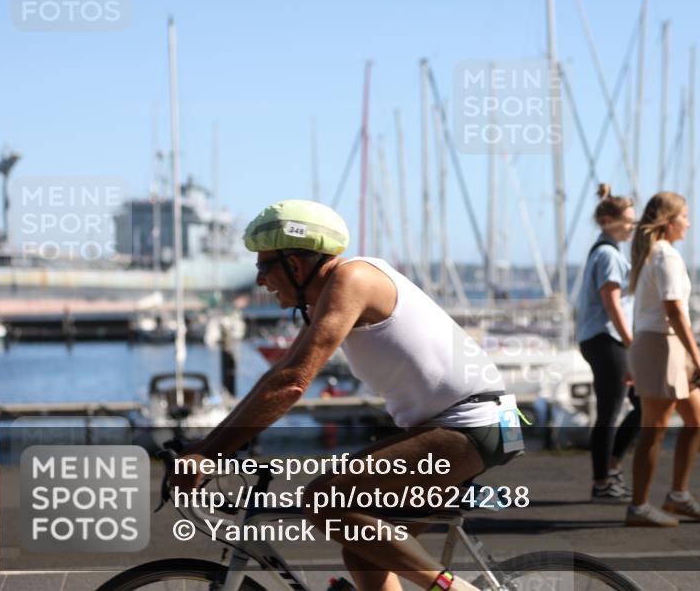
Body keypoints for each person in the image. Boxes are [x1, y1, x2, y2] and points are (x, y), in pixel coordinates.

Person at [172, 200, 519, 591]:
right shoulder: (334, 294)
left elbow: (292, 383)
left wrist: (211, 453)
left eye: (263, 265)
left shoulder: (352, 279)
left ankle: (456, 590)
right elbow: (280, 374)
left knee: (325, 500)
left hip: (470, 426)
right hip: (480, 424)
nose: (259, 280)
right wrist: (209, 444)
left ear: (296, 264)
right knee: (365, 551)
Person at [625, 192, 700, 527]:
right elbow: (674, 310)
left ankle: (678, 496)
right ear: (668, 221)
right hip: (661, 345)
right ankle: (638, 507)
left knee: (698, 418)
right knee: (655, 429)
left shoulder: (658, 255)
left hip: (666, 345)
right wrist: (699, 360)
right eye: (684, 217)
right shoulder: (665, 256)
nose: (688, 223)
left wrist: (691, 358)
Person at [574, 183, 641, 502]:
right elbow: (612, 302)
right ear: (608, 221)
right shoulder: (608, 255)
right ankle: (603, 480)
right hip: (607, 338)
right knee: (611, 410)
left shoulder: (604, 252)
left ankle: (609, 469)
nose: (633, 225)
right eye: (628, 220)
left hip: (600, 338)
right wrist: (631, 343)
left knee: (634, 405)